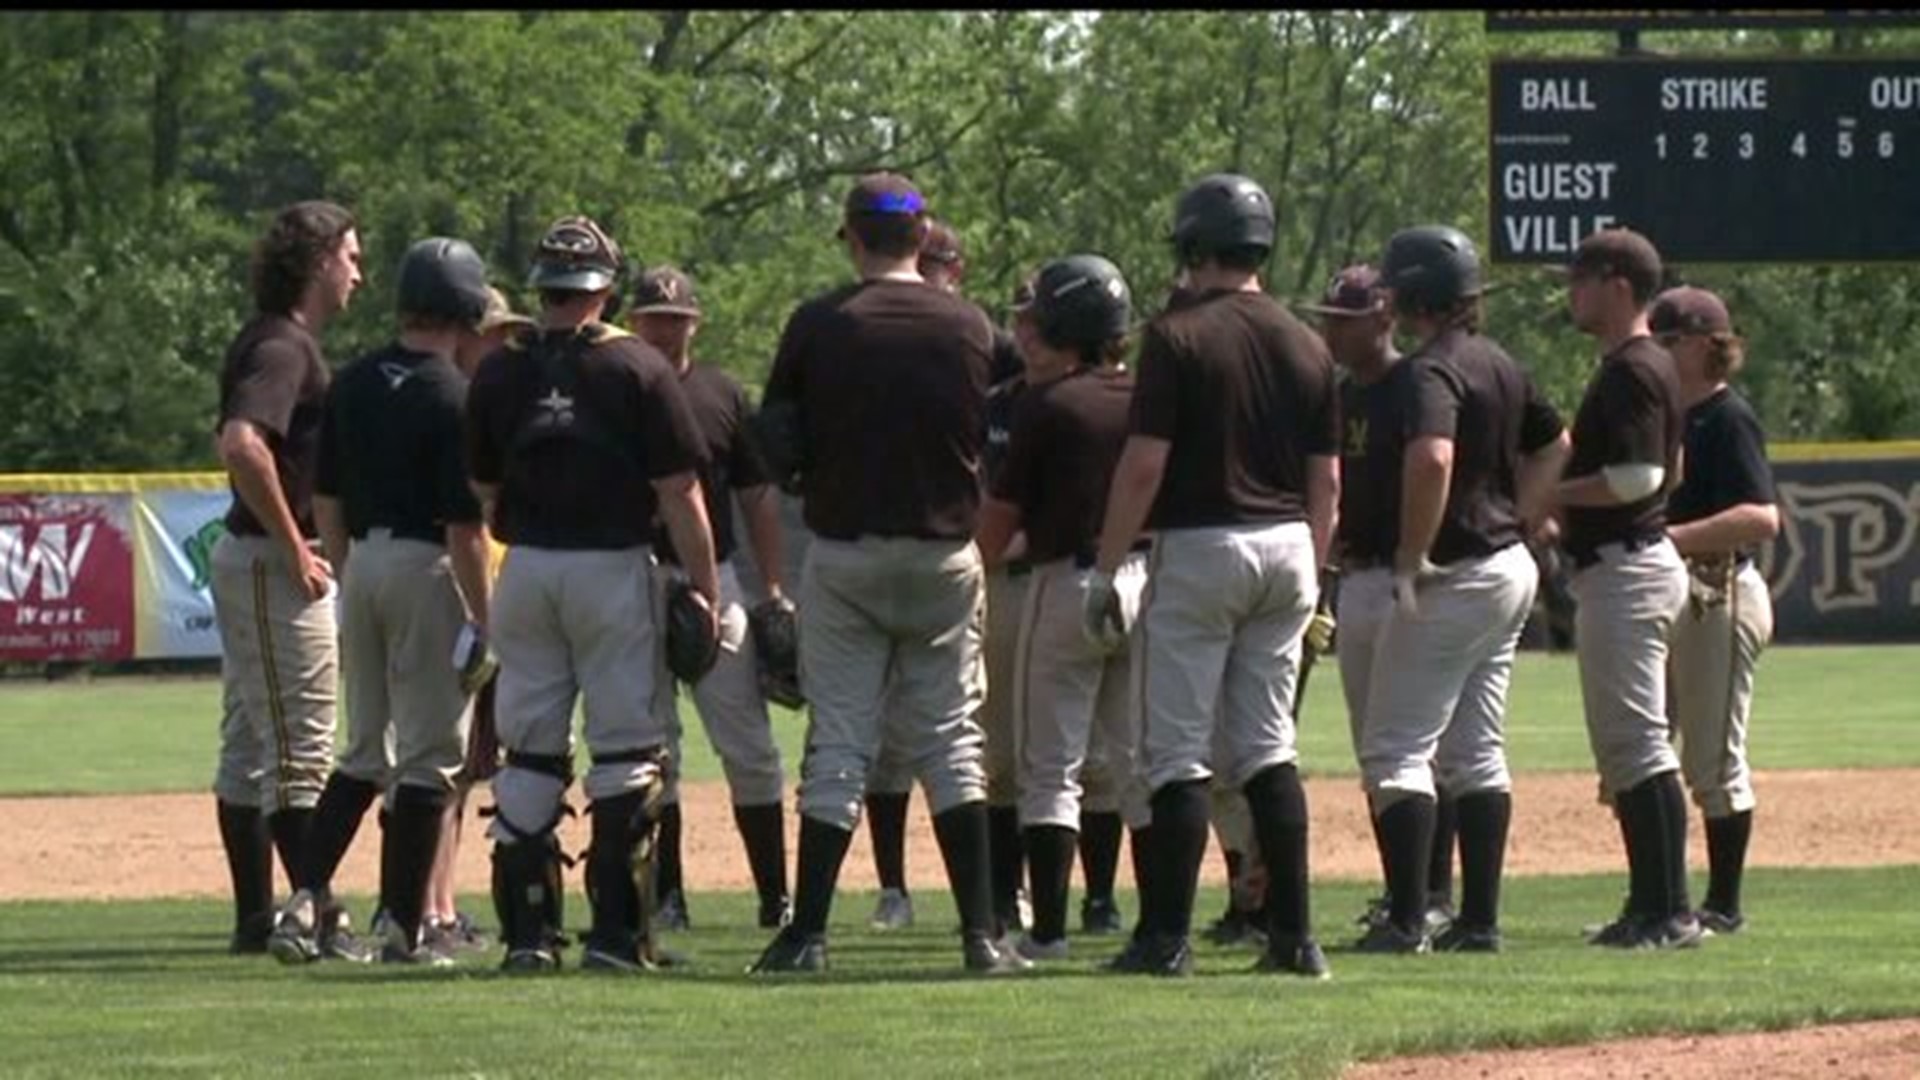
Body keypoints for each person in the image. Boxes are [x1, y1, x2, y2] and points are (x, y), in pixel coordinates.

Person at [747, 173, 1029, 976]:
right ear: (923, 236)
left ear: (851, 235)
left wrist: (811, 477)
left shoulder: (820, 323)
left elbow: (775, 437)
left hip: (847, 552)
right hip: (945, 552)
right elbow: (1007, 427)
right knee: (951, 742)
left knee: (839, 741)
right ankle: (981, 936)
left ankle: (807, 935)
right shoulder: (972, 326)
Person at [1091, 173, 1339, 978]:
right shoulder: (1310, 342)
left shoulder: (1177, 335)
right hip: (1291, 546)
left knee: (1177, 752)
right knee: (1269, 747)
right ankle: (1294, 938)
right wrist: (1317, 572)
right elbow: (1327, 482)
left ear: (1195, 247)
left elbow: (1144, 465)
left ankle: (1166, 938)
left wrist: (1106, 565)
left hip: (1202, 546)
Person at [465, 215, 719, 974]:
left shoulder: (499, 372)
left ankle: (529, 936)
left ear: (543, 286)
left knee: (530, 752)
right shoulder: (638, 368)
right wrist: (703, 589)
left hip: (529, 567)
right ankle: (618, 936)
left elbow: (480, 493)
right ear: (606, 288)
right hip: (611, 565)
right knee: (626, 749)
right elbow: (681, 493)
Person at [269, 237, 497, 965]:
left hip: (361, 560)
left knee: (364, 750)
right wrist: (487, 622)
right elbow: (465, 530)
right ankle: (403, 929)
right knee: (432, 757)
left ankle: (304, 898)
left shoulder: (357, 379)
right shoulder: (454, 394)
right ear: (465, 307)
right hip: (428, 566)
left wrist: (348, 575)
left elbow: (326, 497)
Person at [1350, 228, 1569, 954]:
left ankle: (1410, 920)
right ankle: (1478, 922)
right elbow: (1556, 445)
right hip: (1507, 565)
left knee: (1395, 750)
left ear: (1412, 295)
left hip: (1454, 573)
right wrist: (1526, 517)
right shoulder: (1500, 361)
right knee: (1476, 751)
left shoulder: (1429, 371)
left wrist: (1412, 555)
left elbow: (1434, 458)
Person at [974, 254, 1143, 962]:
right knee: (1140, 761)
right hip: (1148, 578)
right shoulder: (1144, 397)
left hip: (1065, 579)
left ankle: (1047, 933)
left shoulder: (1048, 405)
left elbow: (994, 523)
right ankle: (1160, 923)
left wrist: (980, 559)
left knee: (1051, 766)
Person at [864, 262, 1034, 937]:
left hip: (991, 571)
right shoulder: (971, 393)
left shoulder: (993, 364)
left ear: (957, 273)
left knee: (992, 745)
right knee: (891, 744)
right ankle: (899, 891)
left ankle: (1008, 897)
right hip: (945, 564)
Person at [210, 200, 361, 957]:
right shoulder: (285, 347)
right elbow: (241, 443)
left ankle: (254, 919)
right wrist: (295, 543)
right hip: (272, 563)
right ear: (317, 263)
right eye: (350, 257)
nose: (358, 272)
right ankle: (317, 920)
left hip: (257, 559)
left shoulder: (277, 339)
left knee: (247, 746)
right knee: (301, 749)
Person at [627, 264, 793, 933]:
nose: (664, 329)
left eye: (676, 319)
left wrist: (774, 590)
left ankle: (774, 896)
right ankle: (666, 895)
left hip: (714, 577)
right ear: (632, 323)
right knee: (650, 744)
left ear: (695, 323)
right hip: (636, 575)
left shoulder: (722, 391)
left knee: (750, 745)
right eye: (653, 319)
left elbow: (758, 497)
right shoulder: (619, 386)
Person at [1549, 227, 1697, 950]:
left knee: (1638, 748)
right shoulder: (1646, 363)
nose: (1571, 291)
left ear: (1617, 283)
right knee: (1631, 747)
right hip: (1635, 560)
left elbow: (1641, 480)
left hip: (1628, 566)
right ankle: (1653, 906)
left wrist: (1551, 494)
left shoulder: (1634, 368)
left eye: (1581, 277)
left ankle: (1668, 911)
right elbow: (1674, 474)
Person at [1300, 264, 1456, 938]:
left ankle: (1424, 897)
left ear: (1384, 318)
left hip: (1401, 579)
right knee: (1382, 751)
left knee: (1408, 749)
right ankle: (1408, 895)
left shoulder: (1412, 385)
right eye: (1329, 317)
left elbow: (1439, 466)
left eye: (1346, 319)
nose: (1332, 329)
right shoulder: (1339, 394)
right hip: (1355, 576)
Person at [1654, 285, 1778, 937]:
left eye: (1668, 341)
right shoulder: (1667, 415)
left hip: (1720, 593)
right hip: (1672, 596)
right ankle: (1662, 900)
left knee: (1712, 759)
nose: (1659, 352)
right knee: (1648, 752)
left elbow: (1762, 518)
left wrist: (1667, 538)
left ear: (1707, 346)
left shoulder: (1728, 418)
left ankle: (1723, 906)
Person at [420, 287, 534, 954]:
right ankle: (428, 909)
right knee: (442, 767)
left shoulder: (490, 413)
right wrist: (483, 616)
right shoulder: (454, 409)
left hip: (496, 597)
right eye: (493, 334)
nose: (502, 345)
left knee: (462, 770)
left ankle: (442, 902)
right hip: (463, 605)